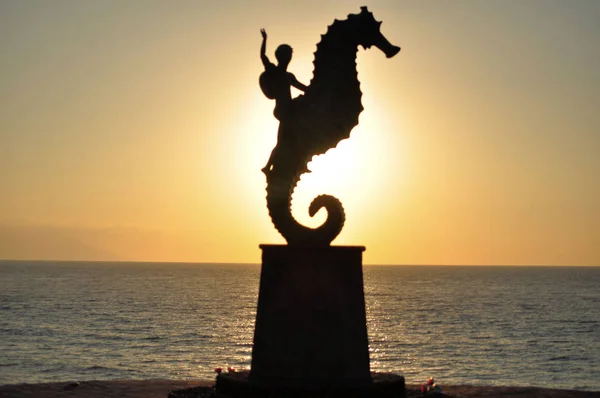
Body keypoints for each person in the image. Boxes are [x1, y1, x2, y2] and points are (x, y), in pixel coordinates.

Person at [259, 29, 308, 175]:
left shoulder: (289, 76)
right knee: (289, 138)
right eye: (287, 55)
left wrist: (316, 88)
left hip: (290, 108)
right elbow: (263, 56)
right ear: (280, 57)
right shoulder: (274, 71)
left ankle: (273, 166)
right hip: (283, 110)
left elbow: (302, 87)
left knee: (289, 139)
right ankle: (269, 167)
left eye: (290, 55)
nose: (289, 57)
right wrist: (265, 39)